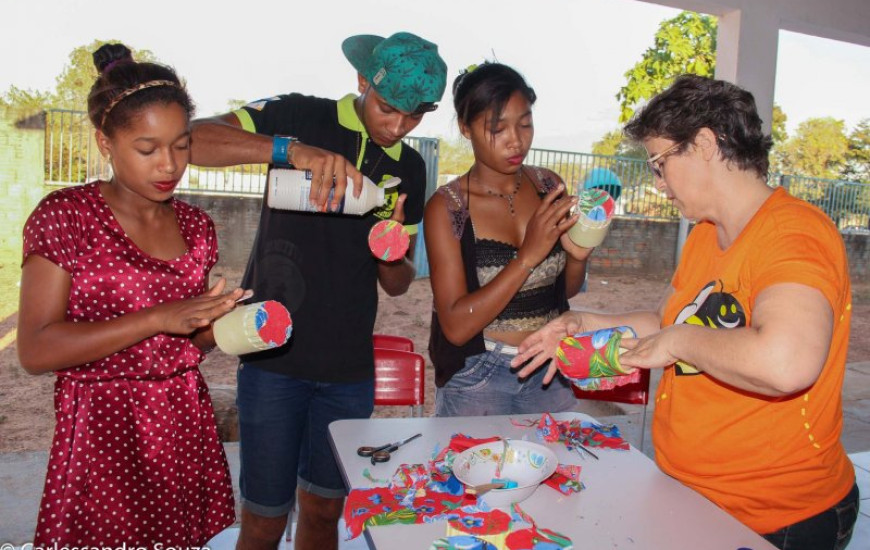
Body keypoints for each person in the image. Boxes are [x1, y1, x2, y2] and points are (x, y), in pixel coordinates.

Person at [512, 75, 859, 550]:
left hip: (776, 515)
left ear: (703, 145)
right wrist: (584, 322)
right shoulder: (704, 235)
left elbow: (786, 363)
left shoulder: (794, 233)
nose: (658, 184)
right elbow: (667, 321)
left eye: (659, 164)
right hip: (698, 495)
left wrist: (678, 343)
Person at [189, 32, 447, 549]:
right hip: (272, 359)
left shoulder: (410, 169)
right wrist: (290, 150)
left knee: (325, 512)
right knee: (263, 519)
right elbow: (192, 140)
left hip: (348, 370)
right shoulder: (299, 116)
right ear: (361, 81)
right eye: (388, 107)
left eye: (415, 115)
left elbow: (396, 287)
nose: (398, 126)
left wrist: (391, 250)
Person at [17, 43, 244, 545]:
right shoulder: (66, 217)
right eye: (148, 149)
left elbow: (185, 343)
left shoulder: (196, 226)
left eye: (182, 146)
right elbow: (34, 349)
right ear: (105, 142)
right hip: (103, 432)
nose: (169, 165)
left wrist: (221, 324)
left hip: (183, 423)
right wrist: (157, 317)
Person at [424, 62, 593, 417]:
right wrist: (527, 257)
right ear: (465, 128)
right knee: (481, 472)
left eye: (526, 123)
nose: (516, 140)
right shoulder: (448, 208)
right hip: (479, 376)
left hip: (548, 366)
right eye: (497, 128)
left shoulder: (548, 186)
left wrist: (577, 256)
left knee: (560, 469)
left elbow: (566, 291)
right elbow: (455, 327)